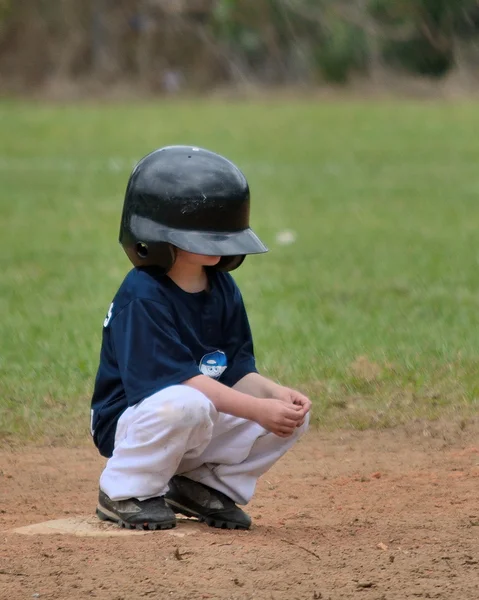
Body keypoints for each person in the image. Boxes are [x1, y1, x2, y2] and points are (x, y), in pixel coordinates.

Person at [90, 145, 311, 531]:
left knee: (293, 416)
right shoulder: (143, 294)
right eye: (203, 234)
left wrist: (273, 395)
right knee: (188, 403)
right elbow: (180, 383)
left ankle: (199, 488)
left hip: (194, 409)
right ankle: (125, 491)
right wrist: (257, 409)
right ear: (159, 232)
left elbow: (236, 369)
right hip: (134, 422)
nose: (218, 242)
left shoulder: (223, 288)